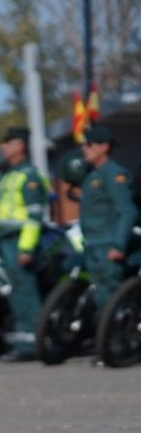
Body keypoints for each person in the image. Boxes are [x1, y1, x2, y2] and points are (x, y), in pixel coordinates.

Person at [0, 126, 48, 360]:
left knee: (26, 292)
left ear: (19, 145)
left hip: (19, 241)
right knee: (16, 292)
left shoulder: (29, 175)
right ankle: (23, 341)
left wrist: (26, 248)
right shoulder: (9, 174)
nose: (2, 147)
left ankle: (32, 344)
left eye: (7, 142)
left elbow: (34, 217)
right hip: (6, 240)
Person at [77, 124, 135, 323]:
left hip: (108, 243)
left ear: (104, 147)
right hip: (93, 242)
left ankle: (116, 344)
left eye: (89, 144)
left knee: (112, 298)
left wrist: (118, 245)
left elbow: (127, 211)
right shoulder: (91, 175)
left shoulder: (114, 173)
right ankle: (106, 346)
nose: (84, 148)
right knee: (101, 296)